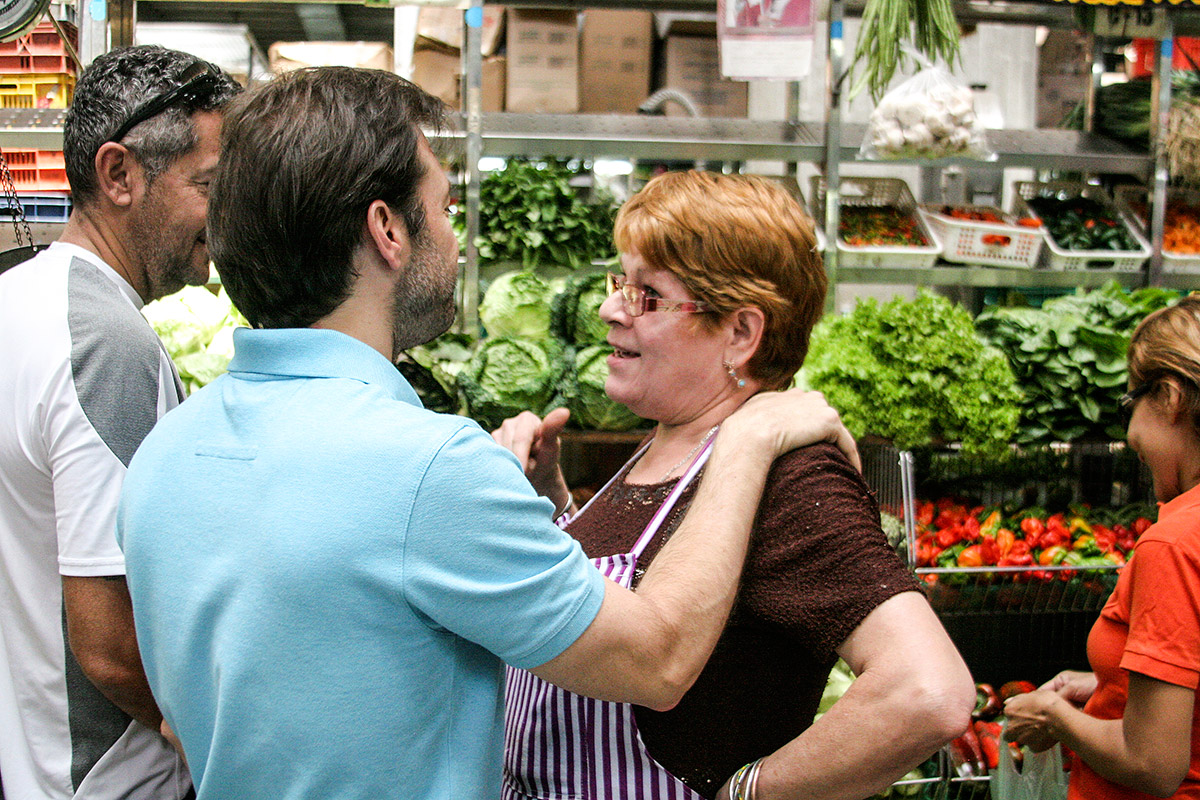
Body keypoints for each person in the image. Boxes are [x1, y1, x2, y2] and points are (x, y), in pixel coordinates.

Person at [113, 67, 860, 800]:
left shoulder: (163, 456)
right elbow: (657, 660)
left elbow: (183, 722)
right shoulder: (430, 467)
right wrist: (749, 440)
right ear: (387, 231)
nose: (455, 232)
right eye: (442, 206)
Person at [493, 170, 975, 800]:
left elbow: (928, 691)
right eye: (620, 283)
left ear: (742, 335)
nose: (611, 308)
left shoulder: (793, 478)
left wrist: (749, 793)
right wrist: (556, 506)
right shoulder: (671, 439)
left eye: (648, 295)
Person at [0, 45, 239, 799]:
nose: (224, 216)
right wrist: (215, 741)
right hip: (110, 778)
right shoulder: (106, 341)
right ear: (118, 174)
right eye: (208, 187)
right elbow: (109, 647)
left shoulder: (24, 298)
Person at [1004, 295, 1200, 800]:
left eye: (1129, 402)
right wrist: (1107, 686)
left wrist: (1054, 715)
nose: (1128, 430)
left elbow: (1151, 762)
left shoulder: (1175, 543)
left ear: (1171, 397)